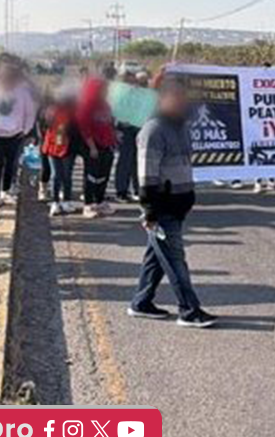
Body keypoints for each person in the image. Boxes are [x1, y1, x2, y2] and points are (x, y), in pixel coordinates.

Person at [130, 76, 216, 328]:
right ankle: (189, 310)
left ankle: (141, 302)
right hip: (162, 207)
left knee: (156, 256)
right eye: (176, 97)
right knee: (175, 259)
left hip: (179, 205)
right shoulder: (153, 129)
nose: (182, 102)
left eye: (183, 97)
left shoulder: (180, 126)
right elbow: (147, 174)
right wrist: (149, 210)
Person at [0, 62, 38, 207]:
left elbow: (30, 112)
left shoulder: (22, 93)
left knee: (10, 163)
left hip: (14, 134)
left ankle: (6, 191)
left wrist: (25, 130)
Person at [112, 69, 157, 203]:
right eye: (139, 80)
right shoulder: (122, 93)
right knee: (125, 161)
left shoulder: (147, 95)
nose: (141, 83)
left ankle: (137, 189)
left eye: (144, 81)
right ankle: (121, 191)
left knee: (138, 161)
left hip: (140, 130)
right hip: (126, 130)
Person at [76, 77, 118, 218]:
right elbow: (84, 127)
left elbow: (109, 124)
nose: (106, 92)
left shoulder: (105, 105)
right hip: (93, 146)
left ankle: (100, 201)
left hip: (107, 145)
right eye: (103, 89)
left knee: (103, 175)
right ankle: (88, 205)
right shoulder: (86, 105)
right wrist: (92, 146)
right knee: (91, 176)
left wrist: (113, 139)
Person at [43, 85, 80, 216]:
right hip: (54, 145)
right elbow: (44, 126)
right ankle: (56, 202)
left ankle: (66, 201)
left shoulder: (72, 111)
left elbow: (75, 130)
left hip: (67, 146)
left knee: (65, 175)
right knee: (58, 175)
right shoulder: (51, 110)